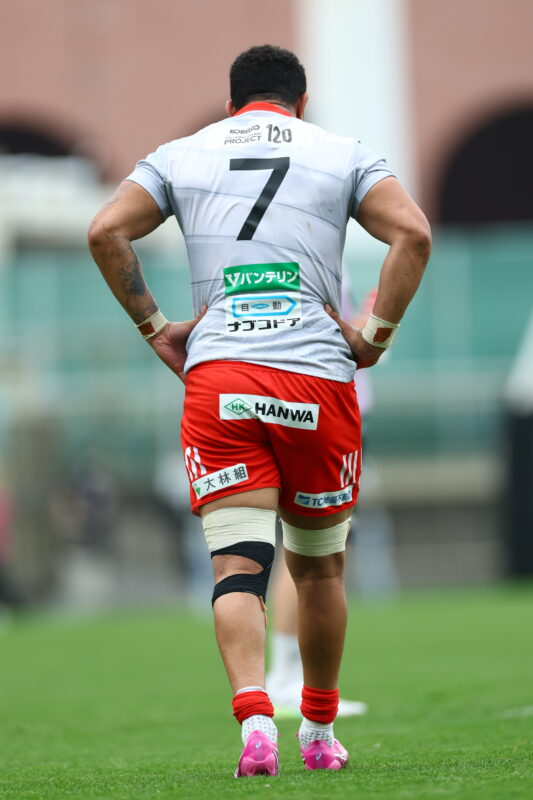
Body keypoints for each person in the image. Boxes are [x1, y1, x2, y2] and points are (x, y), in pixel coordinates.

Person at [88, 45, 431, 777]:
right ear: (300, 104)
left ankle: (254, 724)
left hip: (221, 380)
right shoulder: (343, 152)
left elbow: (103, 230)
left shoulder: (180, 153)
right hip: (315, 380)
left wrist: (157, 329)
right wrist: (373, 337)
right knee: (319, 571)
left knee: (238, 568)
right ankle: (319, 733)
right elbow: (414, 233)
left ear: (230, 105)